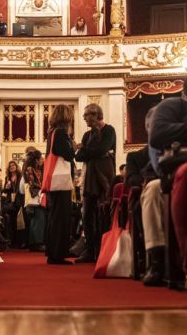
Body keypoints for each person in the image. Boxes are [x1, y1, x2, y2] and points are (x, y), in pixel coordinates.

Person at [140, 58, 187, 286]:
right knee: (152, 192)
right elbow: (158, 137)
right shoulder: (174, 106)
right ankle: (158, 260)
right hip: (173, 171)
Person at [74, 103, 116, 262]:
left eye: (86, 116)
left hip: (104, 176)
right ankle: (90, 250)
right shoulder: (86, 135)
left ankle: (104, 249)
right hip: (89, 177)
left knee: (104, 213)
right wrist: (88, 152)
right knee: (87, 215)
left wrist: (86, 151)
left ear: (95, 115)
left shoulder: (109, 130)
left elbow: (101, 149)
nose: (85, 119)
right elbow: (79, 157)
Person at [43, 104, 76, 265]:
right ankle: (58, 254)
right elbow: (68, 155)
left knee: (55, 216)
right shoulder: (61, 133)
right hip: (60, 180)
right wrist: (74, 147)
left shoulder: (51, 132)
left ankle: (53, 251)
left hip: (54, 180)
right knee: (61, 217)